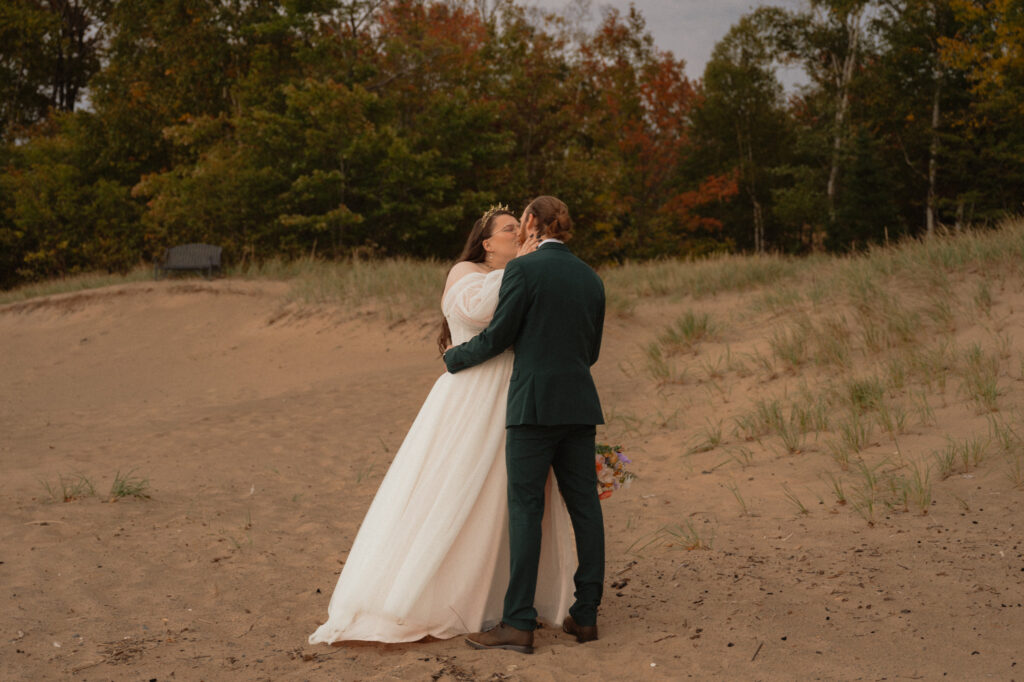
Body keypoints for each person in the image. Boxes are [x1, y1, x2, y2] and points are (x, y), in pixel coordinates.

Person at [308, 206, 575, 645]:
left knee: (512, 498)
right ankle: (439, 596)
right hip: (473, 396)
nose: (519, 234)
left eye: (521, 228)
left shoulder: (528, 273)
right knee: (458, 489)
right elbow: (480, 312)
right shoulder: (465, 272)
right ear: (487, 242)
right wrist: (523, 266)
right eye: (509, 230)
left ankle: (506, 599)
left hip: (517, 394)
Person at [443, 196, 606, 655]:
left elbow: (500, 336)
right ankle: (587, 615)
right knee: (585, 508)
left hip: (533, 407)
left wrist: (455, 357)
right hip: (579, 405)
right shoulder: (591, 279)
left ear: (532, 222)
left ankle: (518, 624)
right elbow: (590, 351)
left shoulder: (523, 271)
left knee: (526, 509)